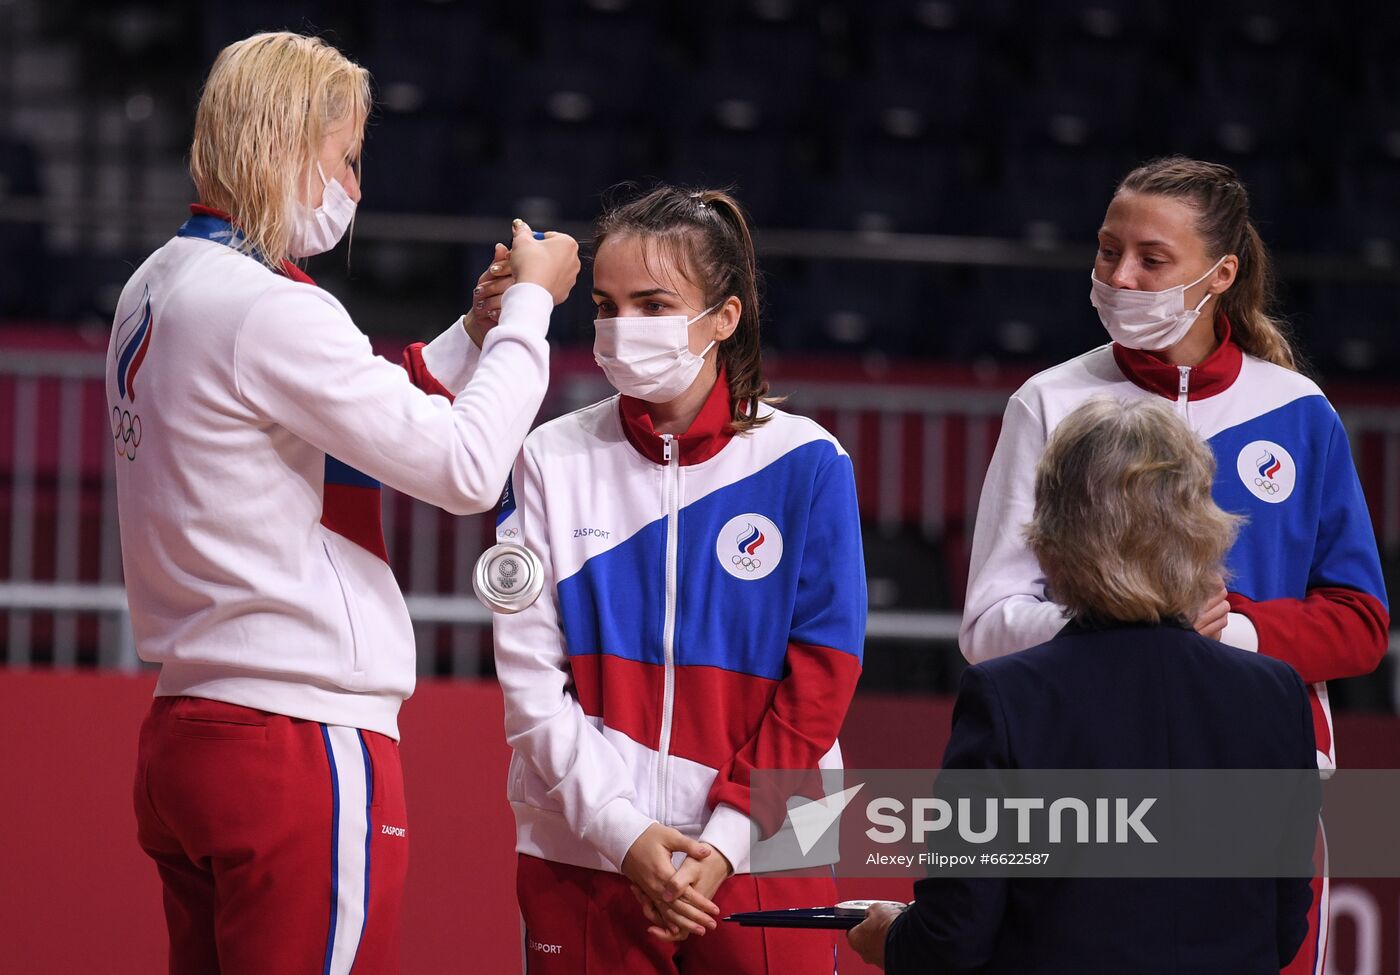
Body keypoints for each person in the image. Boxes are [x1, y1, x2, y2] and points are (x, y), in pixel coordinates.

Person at [111, 32, 579, 974]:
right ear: (286, 142)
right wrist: (532, 310)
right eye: (346, 157)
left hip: (192, 729)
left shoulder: (157, 283)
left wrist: (472, 332)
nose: (355, 188)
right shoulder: (266, 308)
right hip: (293, 738)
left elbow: (347, 408)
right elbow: (464, 467)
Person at [959, 156, 1388, 973]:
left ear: (1221, 273)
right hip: (1078, 788)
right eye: (1107, 251)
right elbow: (988, 623)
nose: (1120, 276)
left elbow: (1361, 624)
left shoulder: (1298, 412)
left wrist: (1237, 634)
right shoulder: (1049, 402)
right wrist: (1132, 632)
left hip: (1256, 785)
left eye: (1152, 259)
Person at [481, 185, 866, 973]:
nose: (624, 329)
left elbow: (821, 680)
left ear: (723, 318)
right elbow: (528, 681)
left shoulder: (808, 463)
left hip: (769, 849)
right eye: (607, 304)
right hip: (582, 851)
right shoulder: (546, 457)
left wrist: (725, 840)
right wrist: (622, 834)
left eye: (654, 305)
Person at [849, 396, 1321, 973]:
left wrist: (891, 936)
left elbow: (955, 933)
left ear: (1052, 535)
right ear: (1202, 531)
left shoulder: (1009, 698)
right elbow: (1283, 924)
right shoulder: (1275, 695)